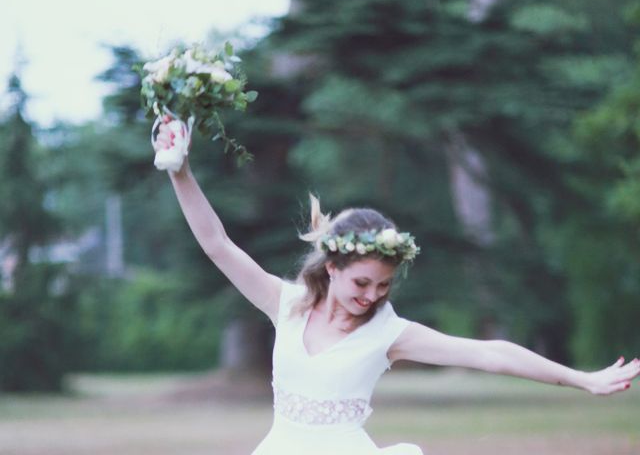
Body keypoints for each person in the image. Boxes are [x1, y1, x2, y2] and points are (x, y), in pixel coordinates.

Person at [155, 130, 640, 455]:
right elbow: (218, 244)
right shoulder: (284, 303)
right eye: (361, 283)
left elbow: (491, 353)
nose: (371, 296)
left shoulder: (390, 334)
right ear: (332, 265)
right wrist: (180, 170)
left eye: (383, 285)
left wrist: (582, 379)